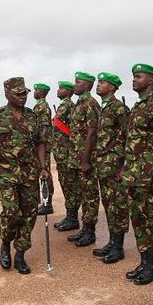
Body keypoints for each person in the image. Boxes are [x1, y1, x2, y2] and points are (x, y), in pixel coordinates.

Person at [0, 77, 50, 274]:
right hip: (5, 173)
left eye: (24, 93)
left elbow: (41, 143)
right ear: (7, 95)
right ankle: (5, 245)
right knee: (11, 213)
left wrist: (44, 167)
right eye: (18, 94)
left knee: (29, 214)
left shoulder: (33, 117)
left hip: (29, 173)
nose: (23, 97)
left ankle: (20, 254)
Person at [121, 64, 153, 285]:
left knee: (152, 220)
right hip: (134, 174)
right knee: (138, 219)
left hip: (148, 175)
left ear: (150, 81)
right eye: (133, 76)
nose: (133, 80)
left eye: (138, 76)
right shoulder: (138, 106)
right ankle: (144, 261)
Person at [92, 72, 129, 264]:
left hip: (115, 166)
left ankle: (119, 247)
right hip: (103, 165)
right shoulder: (102, 108)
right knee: (108, 205)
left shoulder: (119, 109)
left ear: (112, 87)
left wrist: (123, 165)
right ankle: (112, 242)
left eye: (103, 83)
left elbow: (127, 137)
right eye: (98, 82)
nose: (98, 85)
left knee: (118, 206)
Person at [65, 72, 101, 247]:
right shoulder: (80, 103)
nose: (75, 85)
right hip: (77, 157)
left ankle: (90, 231)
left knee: (90, 196)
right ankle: (84, 229)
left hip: (86, 159)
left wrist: (85, 160)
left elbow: (92, 133)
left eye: (78, 82)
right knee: (82, 193)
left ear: (87, 85)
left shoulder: (91, 104)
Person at [52, 81, 80, 230]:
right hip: (62, 153)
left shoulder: (68, 106)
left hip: (67, 153)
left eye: (62, 88)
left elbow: (72, 131)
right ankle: (70, 216)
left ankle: (73, 218)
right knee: (66, 184)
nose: (58, 90)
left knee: (70, 186)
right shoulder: (65, 105)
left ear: (69, 92)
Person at [33, 83, 54, 215]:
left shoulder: (43, 107)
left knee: (44, 173)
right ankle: (44, 202)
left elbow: (45, 128)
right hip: (40, 145)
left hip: (43, 146)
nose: (34, 92)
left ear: (42, 92)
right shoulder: (39, 105)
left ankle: (47, 203)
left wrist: (41, 142)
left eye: (36, 90)